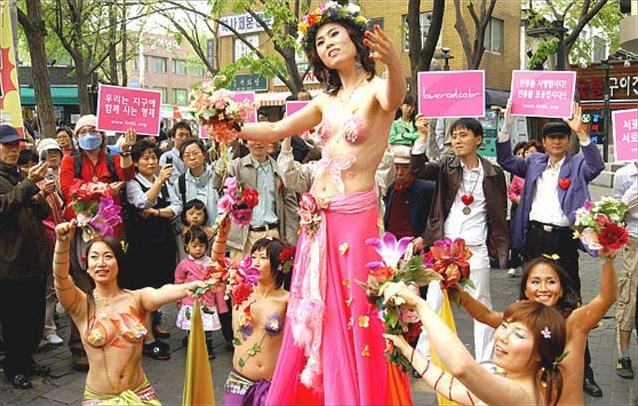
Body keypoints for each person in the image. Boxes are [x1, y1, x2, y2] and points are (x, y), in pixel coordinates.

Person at [236, 2, 410, 403]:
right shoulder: (324, 101)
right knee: (317, 311)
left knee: (355, 312)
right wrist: (227, 123)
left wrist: (395, 64)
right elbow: (278, 127)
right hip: (317, 222)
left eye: (335, 34)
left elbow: (396, 95)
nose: (328, 43)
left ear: (356, 39)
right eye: (320, 40)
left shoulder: (376, 90)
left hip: (356, 220)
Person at [496, 101, 606, 397]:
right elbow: (505, 160)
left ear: (567, 141)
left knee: (571, 305)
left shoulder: (578, 164)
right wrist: (507, 123)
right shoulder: (533, 163)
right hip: (534, 238)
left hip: (563, 238)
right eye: (551, 137)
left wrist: (581, 132)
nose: (556, 141)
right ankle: (526, 364)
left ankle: (584, 372)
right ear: (543, 143)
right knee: (530, 302)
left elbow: (597, 165)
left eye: (562, 137)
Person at [51, 220, 210, 404]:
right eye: (94, 257)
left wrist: (189, 287)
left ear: (119, 262)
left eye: (108, 256)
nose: (101, 263)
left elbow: (162, 292)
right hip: (100, 399)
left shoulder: (137, 298)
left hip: (141, 395)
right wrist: (62, 243)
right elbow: (61, 278)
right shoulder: (80, 304)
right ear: (87, 266)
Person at [454, 250, 618, 405]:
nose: (543, 289)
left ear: (561, 290)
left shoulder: (574, 323)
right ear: (525, 290)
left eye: (551, 282)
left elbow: (607, 298)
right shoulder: (519, 322)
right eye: (535, 282)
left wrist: (607, 261)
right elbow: (486, 315)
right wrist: (456, 289)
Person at [410, 117, 509, 366]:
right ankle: (425, 354)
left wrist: (500, 246)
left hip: (475, 250)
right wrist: (422, 136)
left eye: (463, 135)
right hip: (445, 250)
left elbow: (499, 211)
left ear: (478, 140)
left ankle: (486, 360)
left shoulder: (493, 173)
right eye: (454, 136)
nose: (457, 141)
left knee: (482, 303)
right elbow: (419, 170)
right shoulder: (446, 166)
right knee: (433, 302)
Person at [382, 283, 567, 406]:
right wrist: (407, 350)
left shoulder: (521, 395)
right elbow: (451, 386)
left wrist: (420, 305)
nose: (503, 336)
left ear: (540, 354)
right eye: (504, 326)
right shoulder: (509, 384)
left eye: (518, 334)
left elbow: (463, 368)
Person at [59, 114, 136, 371]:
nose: (89, 134)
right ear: (77, 137)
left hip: (111, 232)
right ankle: (80, 345)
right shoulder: (70, 161)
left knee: (111, 286)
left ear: (102, 135)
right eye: (84, 131)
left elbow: (128, 174)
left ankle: (115, 337)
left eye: (94, 130)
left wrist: (126, 151)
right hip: (82, 234)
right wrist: (102, 189)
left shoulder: (113, 159)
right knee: (83, 289)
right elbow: (68, 189)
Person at [0, 125, 54, 389]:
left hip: (34, 260)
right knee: (14, 320)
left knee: (34, 318)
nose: (13, 150)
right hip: (10, 264)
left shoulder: (20, 176)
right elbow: (3, 209)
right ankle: (14, 367)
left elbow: (42, 211)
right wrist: (28, 185)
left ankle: (27, 359)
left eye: (16, 145)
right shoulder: (17, 180)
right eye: (7, 145)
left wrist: (39, 194)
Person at [220, 227, 291, 405]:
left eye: (263, 258)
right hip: (239, 382)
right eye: (254, 257)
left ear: (278, 264)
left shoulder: (288, 300)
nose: (255, 262)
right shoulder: (239, 291)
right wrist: (222, 234)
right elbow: (216, 264)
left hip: (272, 386)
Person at [123, 140, 180, 358]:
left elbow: (176, 206)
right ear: (136, 162)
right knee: (145, 288)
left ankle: (154, 324)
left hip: (163, 240)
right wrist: (158, 187)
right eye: (145, 158)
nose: (151, 162)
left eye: (153, 157)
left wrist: (158, 213)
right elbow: (143, 203)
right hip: (143, 243)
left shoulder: (163, 181)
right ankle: (147, 340)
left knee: (159, 285)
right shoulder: (132, 183)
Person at [213, 137, 299, 261]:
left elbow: (290, 206)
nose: (258, 142)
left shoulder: (280, 169)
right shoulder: (236, 166)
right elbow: (216, 184)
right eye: (253, 139)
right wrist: (224, 151)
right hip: (243, 239)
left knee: (271, 278)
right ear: (246, 142)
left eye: (262, 138)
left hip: (272, 233)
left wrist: (291, 242)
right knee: (240, 277)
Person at [175, 226, 229, 359]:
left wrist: (221, 305)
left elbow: (217, 285)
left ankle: (208, 347)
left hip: (207, 301)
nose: (198, 249)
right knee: (191, 326)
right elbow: (179, 283)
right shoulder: (183, 265)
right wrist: (179, 300)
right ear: (187, 247)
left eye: (202, 246)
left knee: (207, 327)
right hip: (190, 301)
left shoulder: (211, 263)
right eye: (194, 246)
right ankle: (192, 345)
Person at [36, 138, 66, 347]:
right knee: (46, 287)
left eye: (55, 153)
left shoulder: (65, 175)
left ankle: (49, 325)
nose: (52, 158)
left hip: (61, 238)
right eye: (47, 154)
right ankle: (46, 329)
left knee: (54, 287)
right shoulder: (36, 181)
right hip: (45, 241)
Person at [383, 145, 434, 251]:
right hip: (391, 248)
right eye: (396, 167)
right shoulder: (390, 189)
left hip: (415, 249)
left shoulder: (427, 189)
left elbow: (439, 217)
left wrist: (425, 238)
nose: (399, 173)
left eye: (406, 168)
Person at [613, 161, 637, 379]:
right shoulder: (623, 174)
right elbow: (616, 212)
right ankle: (624, 355)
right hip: (634, 241)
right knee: (628, 297)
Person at [507, 141, 527, 277]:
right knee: (515, 233)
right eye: (518, 154)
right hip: (517, 207)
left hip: (530, 209)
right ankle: (514, 263)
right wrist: (516, 198)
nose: (521, 157)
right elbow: (511, 192)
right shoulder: (516, 174)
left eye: (523, 154)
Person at [159, 121, 192, 186]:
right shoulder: (166, 157)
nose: (184, 138)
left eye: (187, 135)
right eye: (181, 135)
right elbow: (172, 179)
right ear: (173, 138)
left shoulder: (194, 156)